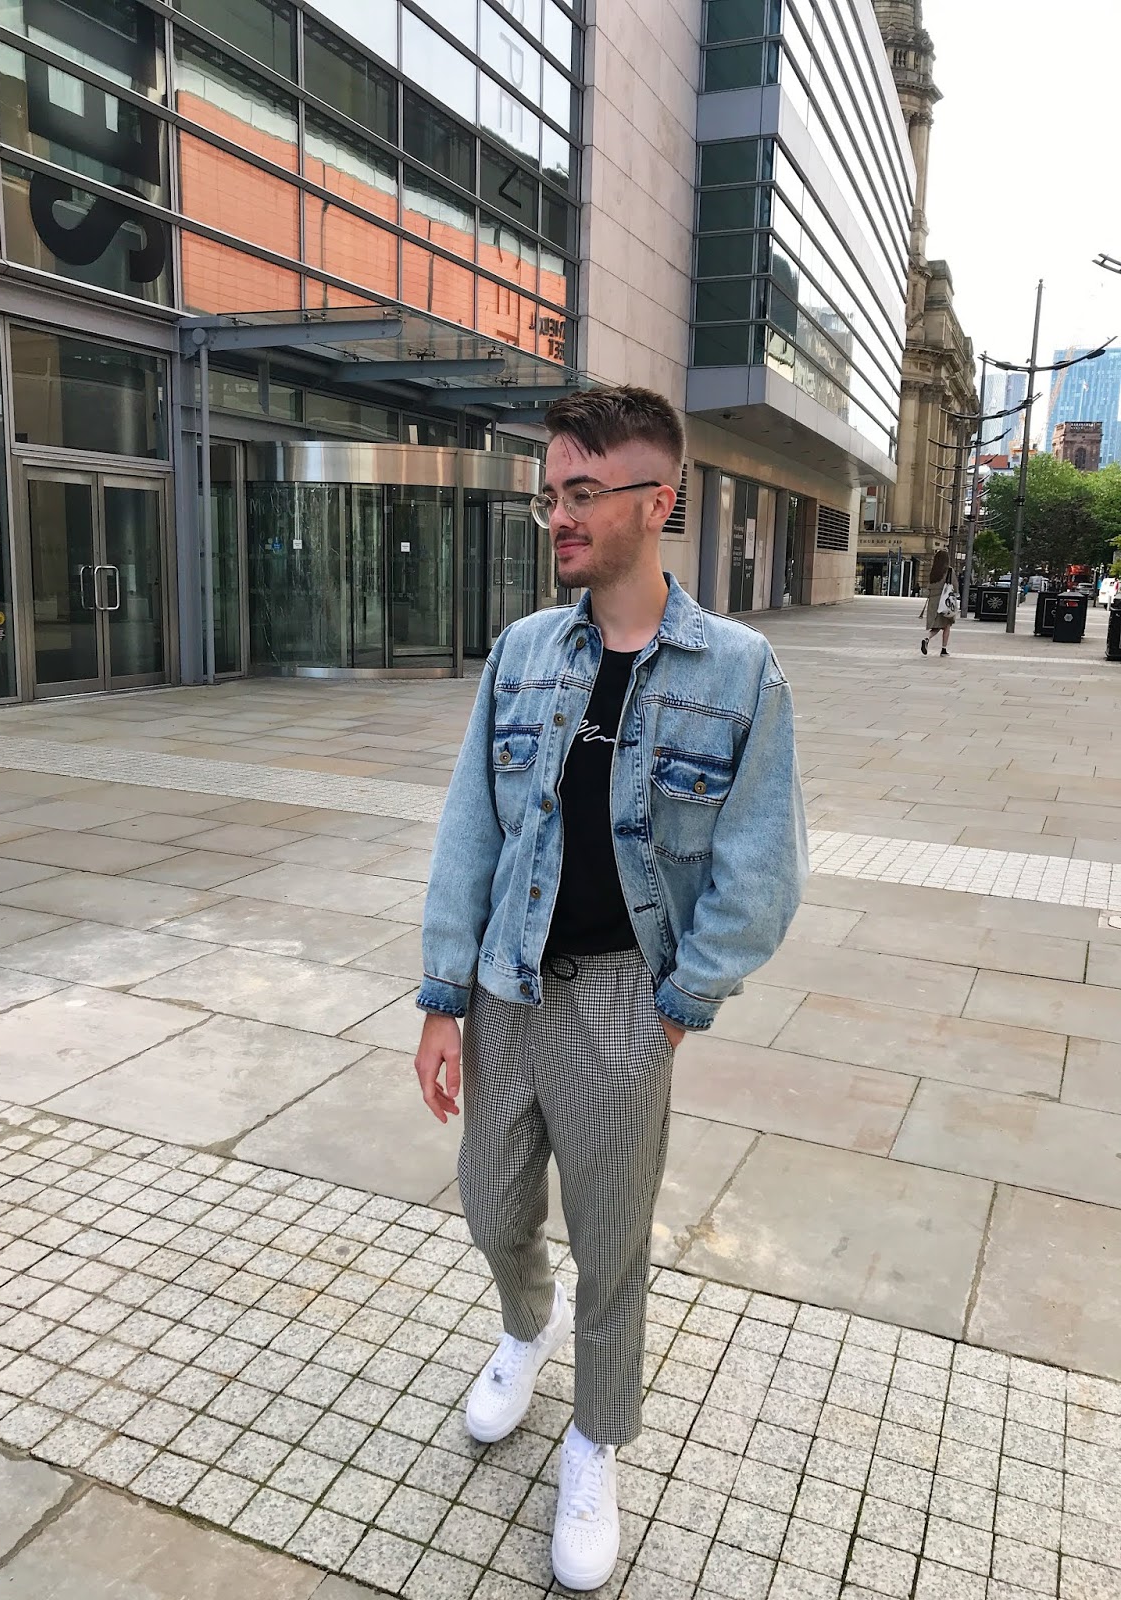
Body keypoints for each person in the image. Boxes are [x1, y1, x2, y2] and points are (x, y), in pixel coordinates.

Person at [413, 386, 807, 1592]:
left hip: (630, 994)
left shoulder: (738, 671)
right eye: (553, 493)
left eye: (584, 492)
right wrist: (441, 994)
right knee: (492, 1206)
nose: (560, 515)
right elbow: (470, 828)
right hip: (506, 984)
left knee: (612, 1236)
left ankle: (595, 1438)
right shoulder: (525, 652)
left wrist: (684, 1003)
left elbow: (761, 867)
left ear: (658, 501)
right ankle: (523, 1327)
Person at [921, 547, 957, 656]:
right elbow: (955, 585)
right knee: (947, 625)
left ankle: (927, 638)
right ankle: (943, 649)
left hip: (933, 601)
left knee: (936, 625)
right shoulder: (949, 571)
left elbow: (928, 587)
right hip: (944, 601)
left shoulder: (933, 571)